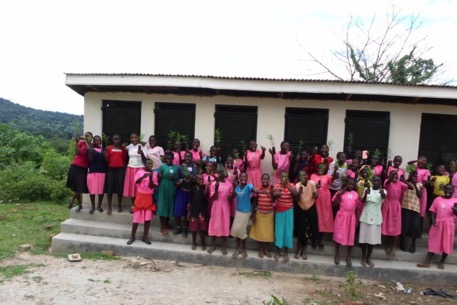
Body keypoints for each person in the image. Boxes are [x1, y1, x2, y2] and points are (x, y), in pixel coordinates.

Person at [417, 184, 457, 270]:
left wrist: (455, 211)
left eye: (450, 190)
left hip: (449, 225)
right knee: (433, 241)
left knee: (447, 243)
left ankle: (442, 261)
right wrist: (432, 220)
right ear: (444, 190)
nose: (448, 191)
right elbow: (432, 210)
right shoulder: (438, 199)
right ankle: (426, 262)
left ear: (453, 191)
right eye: (446, 189)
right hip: (438, 223)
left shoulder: (455, 201)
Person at [127, 159, 157, 245]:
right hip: (140, 196)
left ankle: (145, 237)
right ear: (145, 164)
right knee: (136, 218)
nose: (149, 166)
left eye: (151, 164)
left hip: (148, 197)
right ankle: (132, 236)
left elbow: (152, 186)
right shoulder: (140, 172)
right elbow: (136, 182)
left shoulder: (154, 174)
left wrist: (150, 177)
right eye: (148, 164)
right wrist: (143, 176)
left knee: (147, 218)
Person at [359, 176, 386, 267]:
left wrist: (382, 194)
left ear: (380, 183)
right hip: (366, 216)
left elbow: (384, 200)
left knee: (372, 240)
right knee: (364, 239)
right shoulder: (367, 189)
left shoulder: (383, 191)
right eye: (374, 180)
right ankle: (363, 258)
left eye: (378, 181)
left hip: (376, 217)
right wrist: (366, 194)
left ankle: (368, 258)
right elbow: (363, 201)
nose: (375, 182)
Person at [332, 177, 358, 267]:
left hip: (351, 217)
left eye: (352, 184)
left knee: (350, 237)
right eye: (349, 184)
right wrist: (339, 194)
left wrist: (357, 219)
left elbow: (357, 207)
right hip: (342, 217)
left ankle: (348, 257)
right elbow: (334, 203)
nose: (351, 186)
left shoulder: (355, 194)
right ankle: (337, 255)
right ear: (346, 184)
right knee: (339, 235)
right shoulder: (340, 192)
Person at [207, 167, 233, 255]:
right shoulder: (214, 184)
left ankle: (223, 247)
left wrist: (232, 195)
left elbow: (230, 197)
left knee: (225, 224)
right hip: (216, 205)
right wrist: (217, 188)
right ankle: (213, 245)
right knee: (214, 224)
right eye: (224, 171)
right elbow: (214, 197)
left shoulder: (229, 184)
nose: (226, 172)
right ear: (220, 173)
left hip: (225, 205)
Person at [382, 170, 408, 257]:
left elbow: (409, 187)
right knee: (388, 226)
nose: (395, 177)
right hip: (388, 205)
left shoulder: (399, 183)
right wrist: (391, 177)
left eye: (396, 175)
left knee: (395, 226)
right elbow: (387, 183)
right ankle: (388, 244)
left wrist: (406, 180)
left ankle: (393, 247)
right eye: (393, 175)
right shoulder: (387, 181)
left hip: (396, 206)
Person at [273, 172, 297, 263]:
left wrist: (286, 186)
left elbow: (295, 194)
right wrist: (276, 195)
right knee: (279, 231)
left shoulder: (291, 185)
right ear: (280, 177)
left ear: (287, 178)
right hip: (279, 211)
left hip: (289, 211)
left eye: (285, 177)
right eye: (282, 176)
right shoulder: (276, 186)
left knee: (288, 232)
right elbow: (273, 198)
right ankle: (278, 251)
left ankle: (286, 252)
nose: (283, 178)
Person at [294, 171, 318, 259]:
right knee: (301, 230)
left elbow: (315, 196)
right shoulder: (297, 185)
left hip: (310, 208)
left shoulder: (312, 183)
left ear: (307, 175)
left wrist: (316, 195)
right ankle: (298, 250)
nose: (303, 177)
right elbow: (296, 200)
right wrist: (299, 193)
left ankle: (304, 250)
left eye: (304, 175)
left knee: (308, 230)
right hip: (301, 209)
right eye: (300, 176)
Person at [250, 173, 275, 258]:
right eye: (263, 179)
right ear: (261, 180)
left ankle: (266, 250)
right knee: (260, 233)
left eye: (267, 179)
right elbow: (255, 202)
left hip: (269, 214)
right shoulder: (258, 189)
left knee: (268, 234)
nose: (265, 180)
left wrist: (272, 193)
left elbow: (273, 200)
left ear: (269, 180)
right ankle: (260, 250)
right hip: (260, 213)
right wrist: (253, 214)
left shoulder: (272, 188)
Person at [230, 172, 254, 258]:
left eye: (245, 176)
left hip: (246, 212)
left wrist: (261, 191)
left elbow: (253, 190)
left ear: (247, 178)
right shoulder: (237, 188)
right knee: (236, 230)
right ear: (239, 178)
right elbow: (231, 198)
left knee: (242, 231)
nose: (243, 178)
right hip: (238, 212)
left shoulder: (249, 186)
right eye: (242, 176)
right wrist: (233, 187)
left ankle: (243, 249)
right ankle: (237, 249)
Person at [173, 151, 198, 237]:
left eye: (189, 156)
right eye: (186, 156)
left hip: (191, 191)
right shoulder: (180, 168)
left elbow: (198, 179)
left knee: (188, 210)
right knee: (177, 209)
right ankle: (178, 227)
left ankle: (185, 228)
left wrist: (193, 178)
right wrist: (182, 180)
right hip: (181, 191)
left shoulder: (195, 167)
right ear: (184, 157)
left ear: (191, 157)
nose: (187, 158)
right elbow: (176, 181)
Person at [66, 131, 92, 211]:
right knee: (78, 187)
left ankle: (72, 199)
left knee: (80, 187)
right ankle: (80, 205)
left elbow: (89, 150)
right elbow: (77, 152)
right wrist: (77, 143)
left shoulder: (91, 145)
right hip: (75, 166)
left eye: (88, 136)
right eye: (85, 136)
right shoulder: (80, 143)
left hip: (83, 168)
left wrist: (85, 142)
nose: (86, 137)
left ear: (91, 137)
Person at [311, 164, 334, 249]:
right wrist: (315, 186)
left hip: (325, 199)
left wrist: (335, 171)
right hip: (316, 198)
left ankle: (320, 240)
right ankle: (314, 239)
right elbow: (310, 185)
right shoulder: (313, 175)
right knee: (316, 219)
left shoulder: (327, 176)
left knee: (324, 219)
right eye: (318, 167)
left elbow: (333, 180)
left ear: (325, 169)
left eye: (322, 168)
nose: (320, 169)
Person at [123, 133, 147, 213]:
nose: (134, 139)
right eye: (132, 138)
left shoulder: (143, 146)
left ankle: (140, 205)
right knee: (132, 188)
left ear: (138, 138)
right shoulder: (129, 147)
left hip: (140, 168)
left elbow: (146, 160)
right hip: (130, 168)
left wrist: (142, 153)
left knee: (139, 188)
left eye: (135, 138)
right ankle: (134, 205)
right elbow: (122, 148)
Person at [156, 151, 179, 236]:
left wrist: (174, 178)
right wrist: (159, 177)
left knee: (170, 205)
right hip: (163, 187)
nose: (168, 160)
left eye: (170, 158)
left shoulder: (176, 168)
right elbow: (158, 178)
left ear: (173, 159)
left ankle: (166, 223)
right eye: (167, 158)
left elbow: (178, 179)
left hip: (172, 187)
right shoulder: (162, 167)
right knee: (162, 205)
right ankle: (163, 226)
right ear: (165, 159)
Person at [400, 170, 422, 253]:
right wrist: (407, 180)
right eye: (413, 174)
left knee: (415, 227)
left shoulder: (419, 185)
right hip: (405, 207)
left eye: (416, 175)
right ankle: (402, 242)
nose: (414, 176)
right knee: (404, 226)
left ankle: (413, 244)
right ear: (409, 175)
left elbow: (420, 195)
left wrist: (415, 185)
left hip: (415, 208)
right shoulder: (404, 183)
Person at [187, 173, 209, 250]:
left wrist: (206, 186)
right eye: (198, 179)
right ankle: (194, 242)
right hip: (194, 210)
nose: (200, 181)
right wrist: (189, 211)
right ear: (195, 180)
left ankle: (203, 243)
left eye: (201, 179)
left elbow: (204, 195)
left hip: (202, 210)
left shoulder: (204, 188)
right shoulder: (192, 188)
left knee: (202, 229)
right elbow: (190, 199)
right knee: (193, 229)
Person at [86, 135, 107, 214]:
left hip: (102, 172)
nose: (98, 142)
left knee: (101, 191)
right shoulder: (90, 150)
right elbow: (90, 160)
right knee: (92, 190)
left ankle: (99, 206)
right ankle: (93, 206)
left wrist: (105, 154)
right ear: (93, 142)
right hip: (93, 172)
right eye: (96, 141)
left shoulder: (103, 150)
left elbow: (106, 161)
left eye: (99, 141)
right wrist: (90, 152)